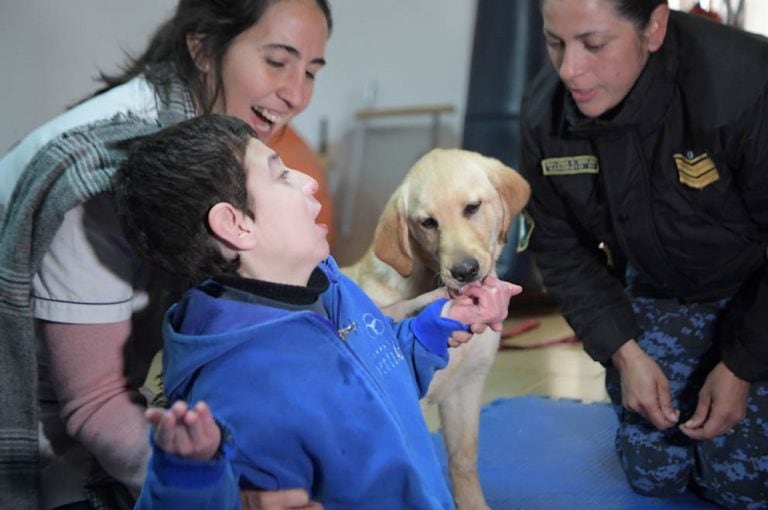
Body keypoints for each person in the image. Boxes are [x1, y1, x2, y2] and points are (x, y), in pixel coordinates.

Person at [0, 1, 334, 508]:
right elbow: (94, 405)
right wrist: (228, 494)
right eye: (277, 60)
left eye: (310, 71)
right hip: (42, 428)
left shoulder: (225, 145)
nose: (295, 94)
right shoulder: (106, 182)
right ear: (201, 48)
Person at [113, 113, 519, 509]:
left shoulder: (328, 284)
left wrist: (431, 328)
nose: (308, 181)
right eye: (282, 175)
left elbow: (374, 371)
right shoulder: (246, 382)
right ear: (235, 224)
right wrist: (190, 476)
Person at [519, 0, 768, 508]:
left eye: (593, 44)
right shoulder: (544, 116)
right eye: (555, 42)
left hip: (757, 291)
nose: (570, 70)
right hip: (662, 289)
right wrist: (623, 352)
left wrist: (742, 364)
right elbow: (562, 249)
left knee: (742, 486)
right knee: (654, 475)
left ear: (653, 26)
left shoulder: (748, 87)